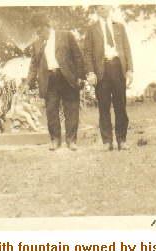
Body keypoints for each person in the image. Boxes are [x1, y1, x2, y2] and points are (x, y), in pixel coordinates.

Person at [26, 14, 85, 151]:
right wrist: (29, 82)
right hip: (49, 80)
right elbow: (33, 64)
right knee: (51, 110)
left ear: (46, 26)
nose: (38, 34)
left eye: (39, 31)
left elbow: (78, 56)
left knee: (71, 109)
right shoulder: (37, 44)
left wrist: (81, 76)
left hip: (67, 77)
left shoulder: (66, 35)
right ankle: (55, 140)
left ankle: (71, 141)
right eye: (36, 32)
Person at [84, 5, 133, 151]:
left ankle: (122, 140)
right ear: (96, 10)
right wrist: (90, 73)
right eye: (99, 7)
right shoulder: (92, 29)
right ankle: (107, 142)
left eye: (104, 6)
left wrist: (130, 70)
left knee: (120, 106)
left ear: (109, 8)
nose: (101, 10)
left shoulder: (119, 27)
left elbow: (127, 48)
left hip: (118, 68)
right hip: (101, 71)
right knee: (103, 107)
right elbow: (87, 53)